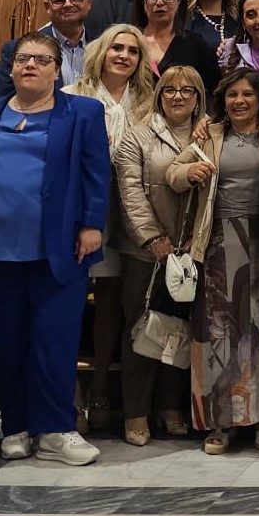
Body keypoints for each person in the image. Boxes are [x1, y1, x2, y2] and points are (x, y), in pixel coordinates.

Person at [0, 31, 111, 467]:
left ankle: (55, 429)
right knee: (8, 340)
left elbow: (96, 171)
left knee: (55, 339)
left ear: (57, 69)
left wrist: (92, 224)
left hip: (58, 246)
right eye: (23, 58)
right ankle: (16, 426)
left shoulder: (83, 112)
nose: (30, 65)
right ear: (11, 68)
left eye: (42, 59)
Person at [166, 67, 259, 454]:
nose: (239, 101)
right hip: (219, 240)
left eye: (248, 95)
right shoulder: (211, 134)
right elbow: (171, 173)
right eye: (232, 95)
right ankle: (219, 422)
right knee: (219, 332)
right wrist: (190, 171)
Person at [63, 23, 155, 434]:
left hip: (131, 213)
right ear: (101, 51)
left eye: (133, 51)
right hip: (83, 212)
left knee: (114, 305)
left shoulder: (150, 102)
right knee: (72, 303)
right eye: (117, 48)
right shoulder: (71, 97)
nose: (124, 56)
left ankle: (102, 386)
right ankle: (72, 395)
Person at [111, 66, 204, 446]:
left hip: (193, 252)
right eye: (170, 90)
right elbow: (130, 193)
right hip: (148, 252)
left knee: (182, 333)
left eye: (188, 90)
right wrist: (153, 239)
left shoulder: (210, 135)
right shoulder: (137, 137)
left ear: (199, 97)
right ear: (159, 94)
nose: (178, 97)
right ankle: (135, 412)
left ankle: (171, 407)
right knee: (142, 333)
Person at [0, 0, 90, 102]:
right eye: (59, 0)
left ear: (89, 3)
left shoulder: (104, 46)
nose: (68, 4)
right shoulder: (17, 49)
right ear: (47, 7)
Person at [132, 0, 222, 94]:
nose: (159, 2)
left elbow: (216, 88)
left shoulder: (194, 44)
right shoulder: (130, 40)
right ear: (142, 0)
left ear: (179, 0)